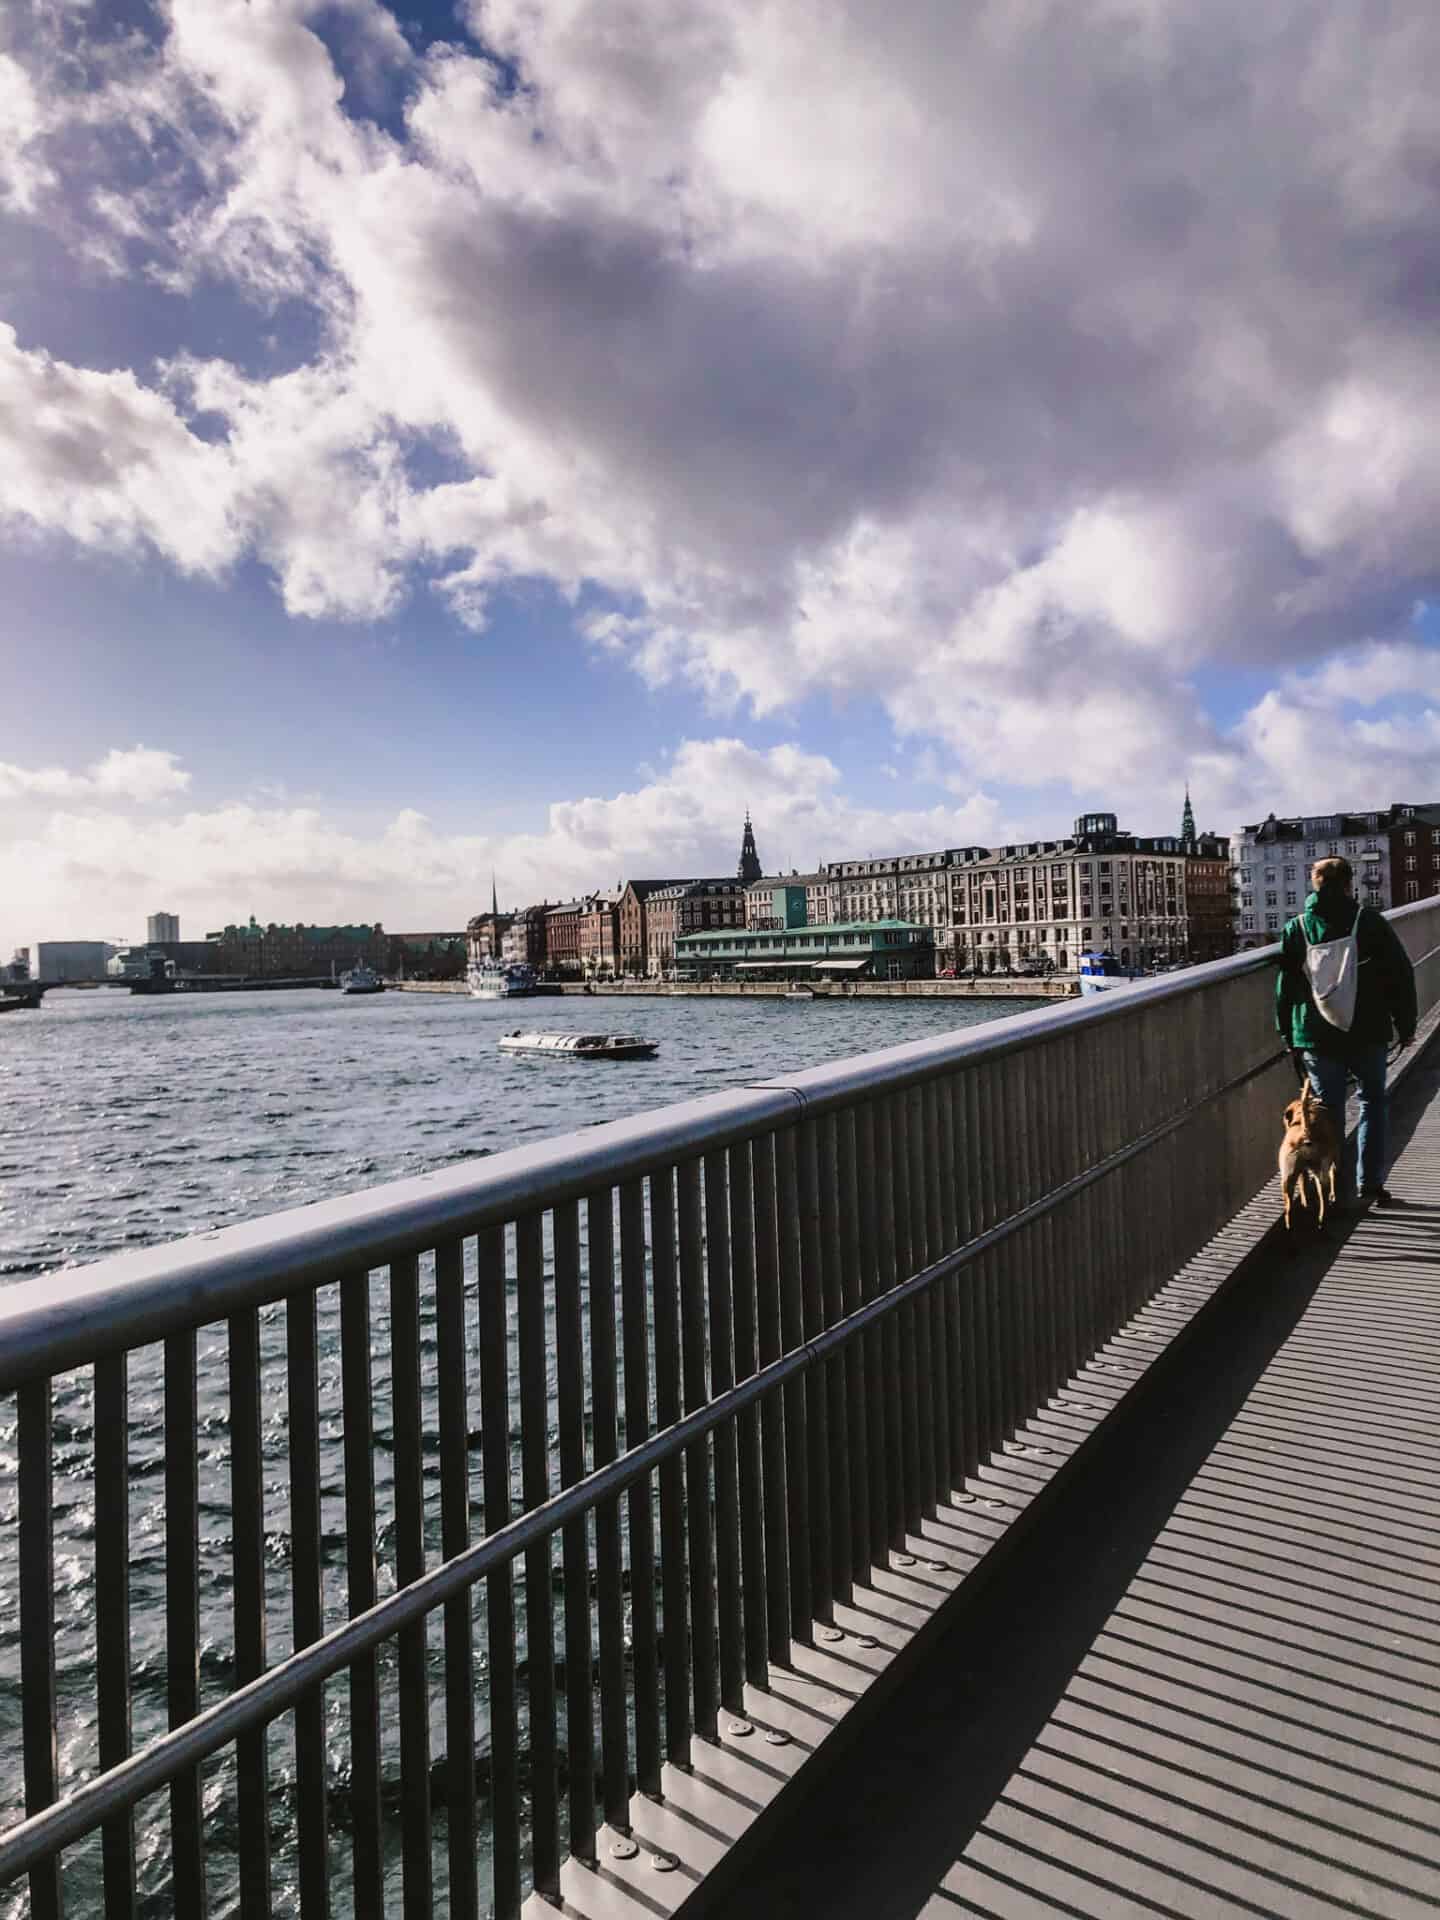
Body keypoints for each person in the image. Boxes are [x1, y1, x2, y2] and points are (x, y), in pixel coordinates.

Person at [1275, 856, 1417, 1205]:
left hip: (1317, 1036)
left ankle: (1336, 1193)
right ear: (1349, 884)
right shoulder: (1369, 922)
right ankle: (1370, 1184)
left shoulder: (1298, 928)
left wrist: (1288, 1035)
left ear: (1314, 884)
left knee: (1330, 1114)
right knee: (1372, 1104)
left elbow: (1287, 988)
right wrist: (1406, 1024)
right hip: (1367, 1030)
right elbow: (1399, 976)